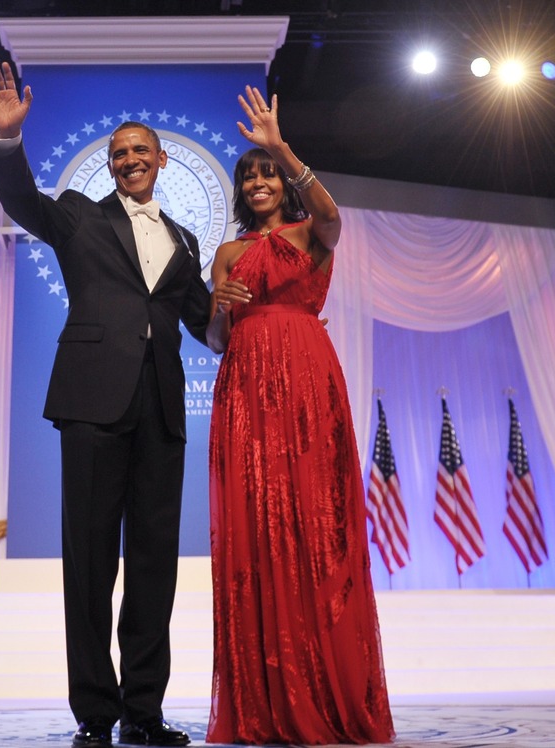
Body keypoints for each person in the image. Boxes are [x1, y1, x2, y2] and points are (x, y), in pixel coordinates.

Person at [0, 61, 210, 748]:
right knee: (88, 565)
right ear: (108, 167)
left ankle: (143, 712)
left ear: (161, 160)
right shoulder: (78, 216)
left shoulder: (185, 240)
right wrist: (6, 141)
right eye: (118, 153)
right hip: (89, 403)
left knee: (152, 567)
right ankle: (95, 715)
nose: (129, 159)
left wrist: (262, 322)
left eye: (139, 150)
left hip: (161, 409)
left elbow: (205, 322)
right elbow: (23, 204)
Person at [205, 86, 395, 745]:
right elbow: (215, 339)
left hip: (306, 384)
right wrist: (216, 305)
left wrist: (279, 145)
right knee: (257, 527)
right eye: (249, 175)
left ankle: (326, 686)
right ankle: (264, 697)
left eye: (266, 174)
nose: (258, 182)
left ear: (281, 181)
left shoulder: (312, 231)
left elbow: (332, 212)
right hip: (243, 390)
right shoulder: (227, 255)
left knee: (313, 524)